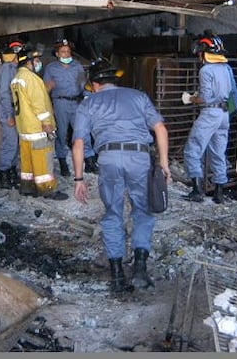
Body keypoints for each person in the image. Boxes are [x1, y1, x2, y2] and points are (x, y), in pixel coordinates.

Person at [71, 58, 170, 294]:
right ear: (115, 79)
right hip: (139, 158)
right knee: (142, 212)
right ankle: (140, 270)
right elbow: (160, 128)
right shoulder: (138, 96)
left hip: (109, 159)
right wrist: (164, 165)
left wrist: (78, 179)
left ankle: (116, 276)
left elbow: (78, 142)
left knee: (113, 213)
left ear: (94, 84)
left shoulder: (88, 104)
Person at [180, 31, 237, 204]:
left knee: (192, 149)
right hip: (224, 114)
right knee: (218, 153)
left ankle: (197, 191)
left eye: (199, 52)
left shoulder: (206, 70)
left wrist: (190, 98)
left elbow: (204, 97)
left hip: (210, 113)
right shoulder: (226, 68)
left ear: (204, 52)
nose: (198, 55)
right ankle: (218, 194)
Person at [10, 47, 68, 200]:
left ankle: (27, 187)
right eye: (36, 60)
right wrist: (47, 122)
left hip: (24, 128)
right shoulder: (31, 78)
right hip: (37, 128)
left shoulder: (17, 78)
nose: (38, 63)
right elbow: (38, 103)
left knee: (27, 161)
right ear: (28, 62)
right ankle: (47, 189)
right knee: (43, 159)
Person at [43, 38, 98, 177]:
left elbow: (83, 84)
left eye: (68, 52)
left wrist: (87, 96)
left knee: (83, 131)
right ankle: (63, 163)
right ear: (57, 54)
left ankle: (89, 161)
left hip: (77, 103)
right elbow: (45, 90)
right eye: (63, 52)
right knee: (61, 134)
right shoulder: (51, 68)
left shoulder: (77, 66)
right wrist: (49, 108)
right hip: (60, 103)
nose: (66, 55)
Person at [0, 40, 23, 190]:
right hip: (9, 110)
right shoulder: (7, 68)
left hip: (14, 110)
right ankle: (4, 176)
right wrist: (8, 116)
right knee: (10, 144)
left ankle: (12, 173)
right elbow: (5, 93)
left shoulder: (15, 68)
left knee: (15, 144)